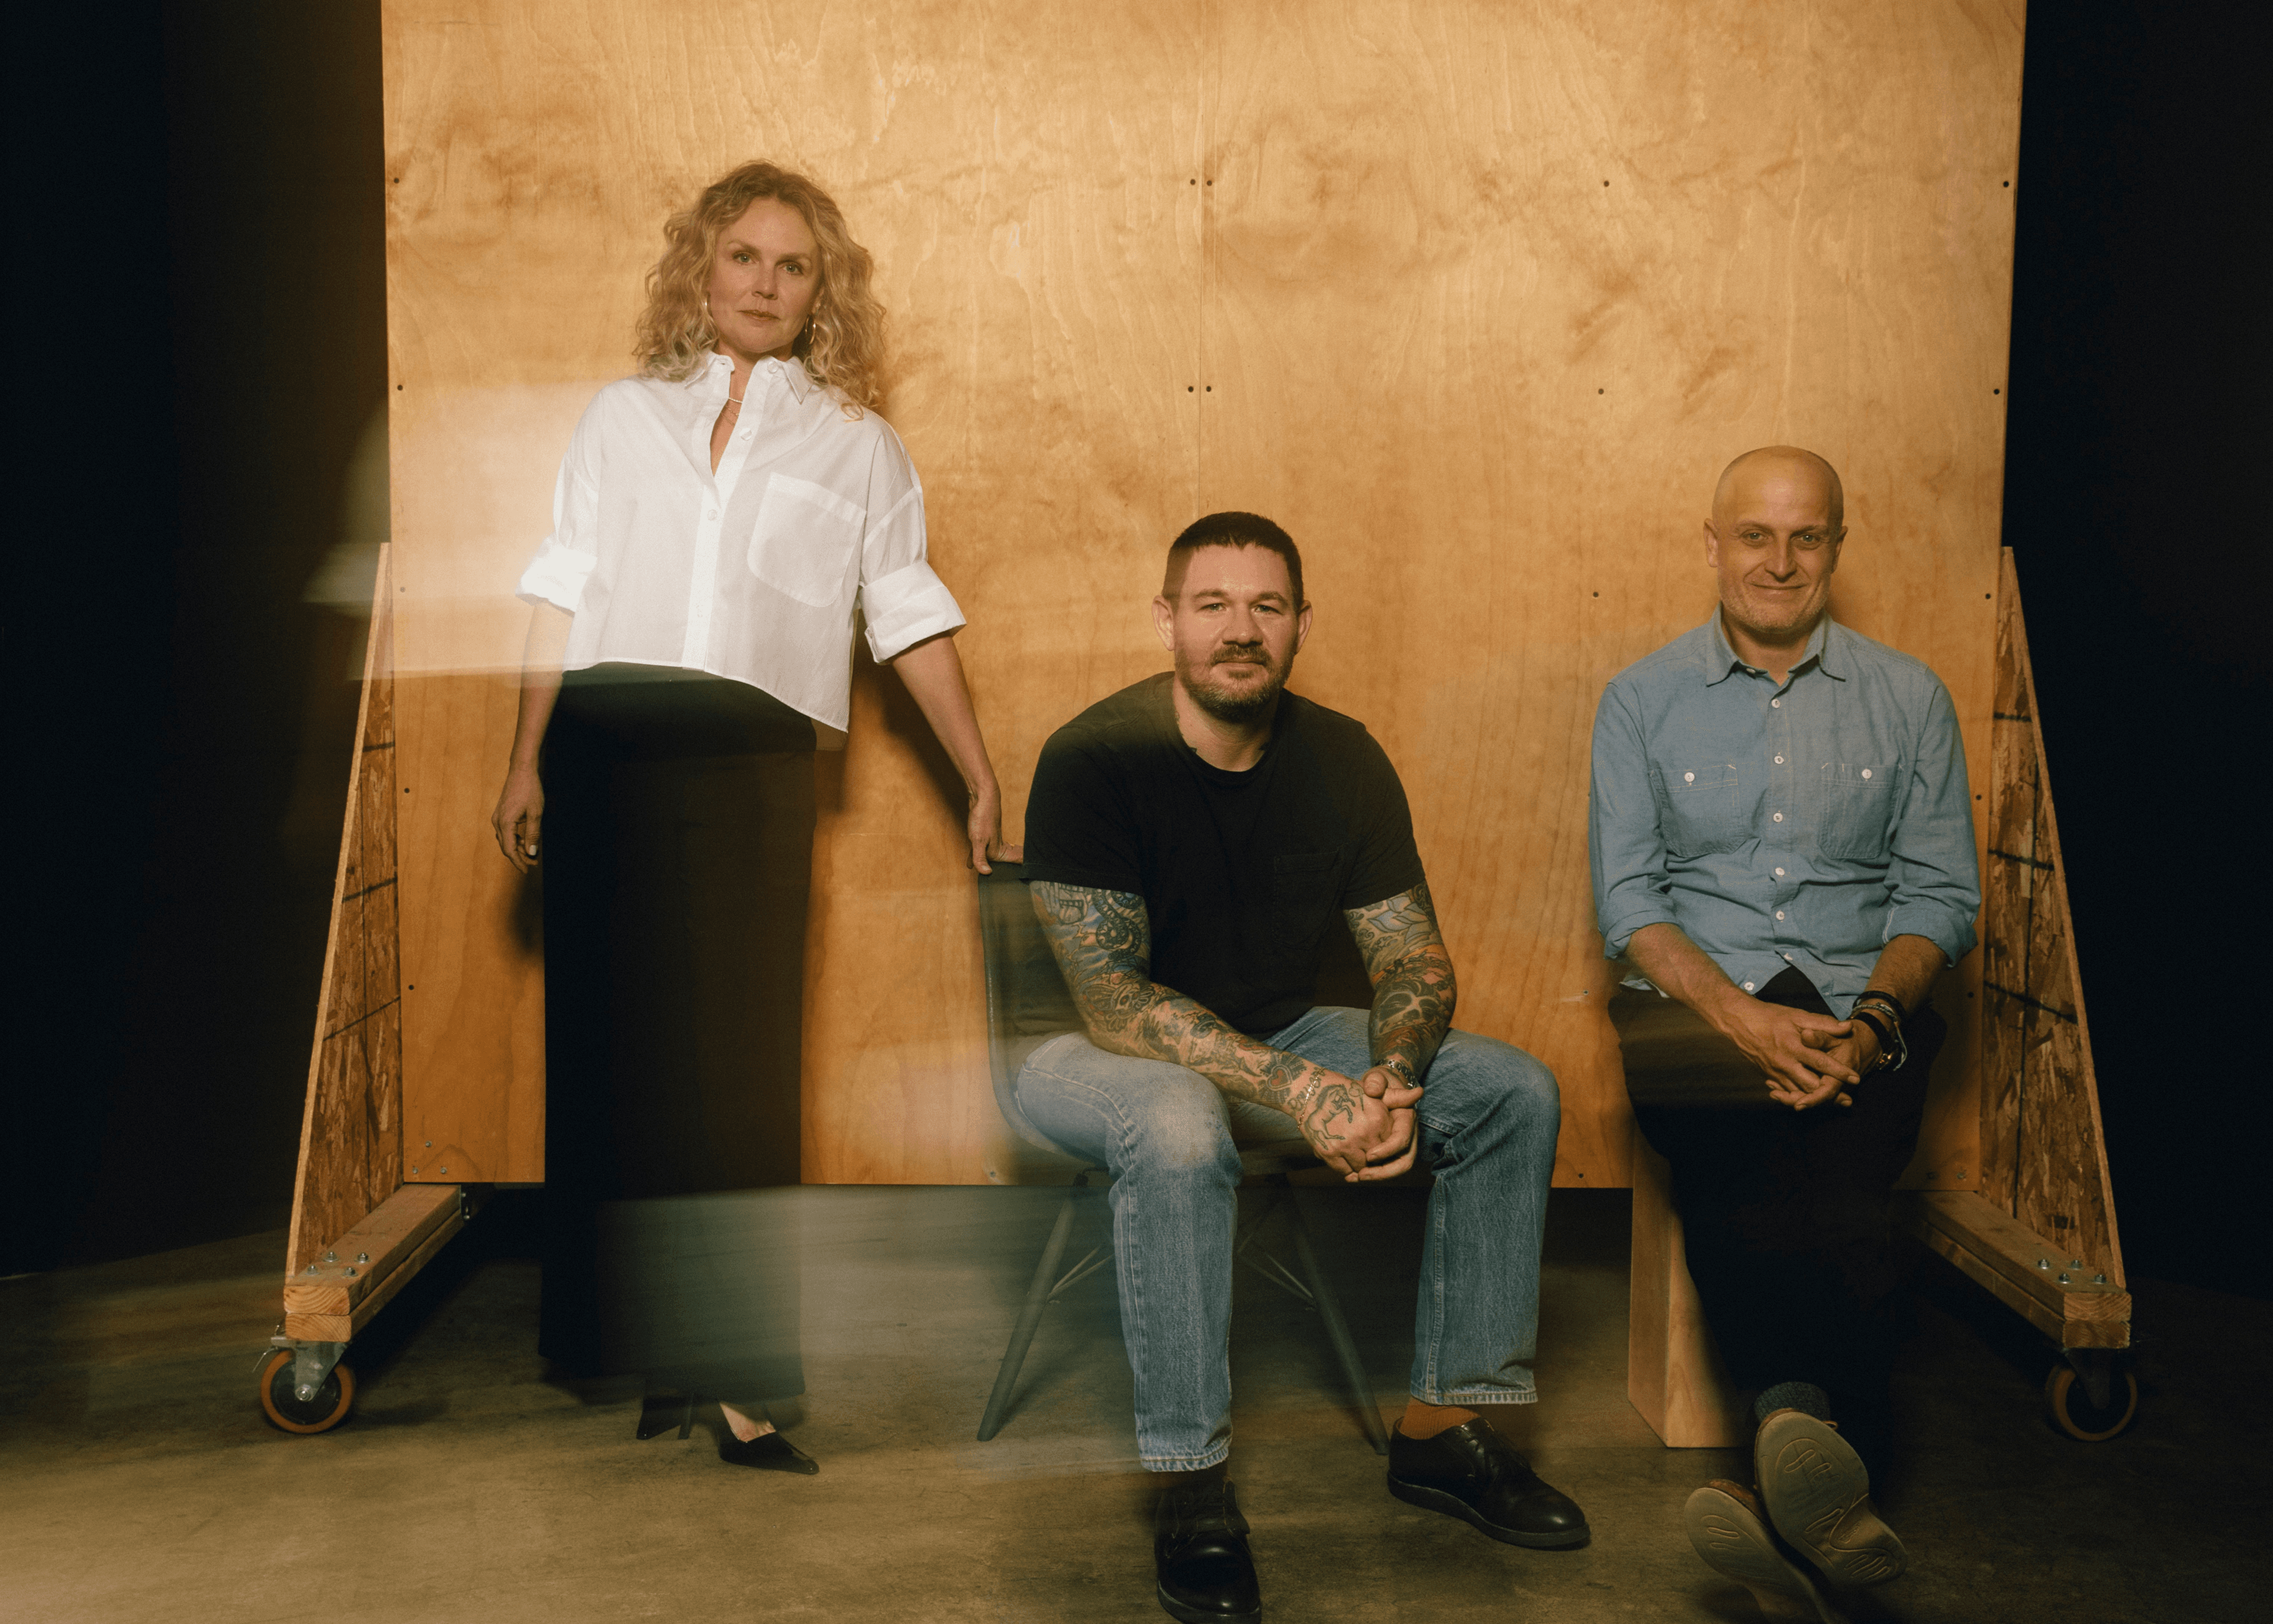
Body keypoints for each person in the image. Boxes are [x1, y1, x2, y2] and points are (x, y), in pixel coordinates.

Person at [489, 161, 1016, 1475]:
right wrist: (525, 760)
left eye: (793, 266)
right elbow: (563, 590)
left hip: (747, 760)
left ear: (818, 291)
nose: (766, 284)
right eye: (744, 258)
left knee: (735, 1069)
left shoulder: (856, 442)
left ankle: (736, 1378)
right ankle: (623, 1345)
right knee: (610, 1052)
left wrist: (980, 773)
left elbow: (905, 614)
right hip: (607, 741)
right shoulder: (620, 419)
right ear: (701, 269)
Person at [1019, 513, 1586, 1624]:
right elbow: (1117, 1005)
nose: (1242, 630)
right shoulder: (1094, 757)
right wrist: (1302, 1093)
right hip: (1081, 1057)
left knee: (1516, 1090)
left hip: (1280, 1030)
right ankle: (1191, 1484)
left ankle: (1441, 1434)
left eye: (1267, 607)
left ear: (1301, 626)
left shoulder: (1343, 755)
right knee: (1181, 1122)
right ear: (1167, 620)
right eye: (1214, 605)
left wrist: (1390, 1073)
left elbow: (1410, 953)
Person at [1588, 447, 1981, 1616]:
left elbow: (1942, 896)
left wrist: (1864, 1026)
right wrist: (1737, 1016)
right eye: (1754, 535)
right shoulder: (1639, 699)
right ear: (1711, 545)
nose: (1780, 558)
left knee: (1853, 1207)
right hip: (1693, 1001)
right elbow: (1631, 905)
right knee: (1739, 1185)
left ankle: (1785, 1477)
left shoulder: (1910, 697)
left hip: (1863, 1003)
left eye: (1806, 536)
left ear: (1838, 547)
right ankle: (1818, 1476)